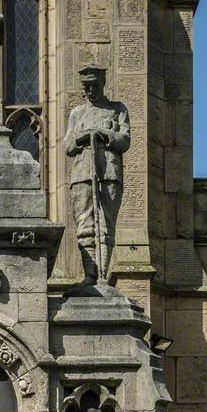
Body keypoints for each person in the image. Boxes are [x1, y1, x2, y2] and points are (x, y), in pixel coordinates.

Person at [64, 65, 130, 287]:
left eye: (94, 85)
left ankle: (103, 274)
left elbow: (124, 140)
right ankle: (90, 274)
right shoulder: (77, 113)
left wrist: (105, 134)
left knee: (105, 225)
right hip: (82, 174)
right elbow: (68, 146)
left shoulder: (117, 109)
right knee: (85, 224)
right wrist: (82, 138)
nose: (90, 90)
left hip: (109, 172)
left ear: (103, 84)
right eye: (86, 86)